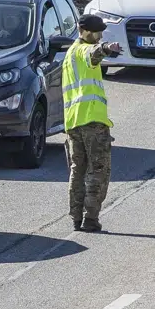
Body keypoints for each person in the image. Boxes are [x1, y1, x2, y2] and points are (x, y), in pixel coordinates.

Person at [62, 14, 122, 232]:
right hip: (91, 120)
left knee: (77, 170)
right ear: (85, 31)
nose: (100, 36)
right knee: (99, 169)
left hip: (73, 122)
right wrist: (106, 48)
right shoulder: (82, 50)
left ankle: (76, 217)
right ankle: (91, 218)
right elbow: (93, 54)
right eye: (97, 32)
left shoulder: (69, 54)